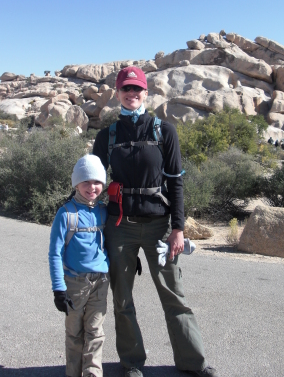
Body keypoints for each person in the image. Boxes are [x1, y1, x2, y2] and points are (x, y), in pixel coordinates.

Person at [93, 66, 218, 377]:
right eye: (126, 89)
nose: (131, 94)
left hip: (159, 226)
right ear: (117, 93)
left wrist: (178, 229)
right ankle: (132, 363)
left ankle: (194, 363)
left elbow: (175, 182)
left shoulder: (165, 130)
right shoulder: (106, 136)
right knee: (122, 298)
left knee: (173, 295)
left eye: (137, 89)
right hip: (119, 226)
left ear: (146, 93)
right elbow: (93, 184)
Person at [48, 154, 110, 377]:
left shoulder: (104, 211)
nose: (91, 187)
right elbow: (55, 253)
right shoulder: (66, 214)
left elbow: (111, 242)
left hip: (100, 282)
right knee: (75, 334)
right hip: (74, 284)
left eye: (96, 182)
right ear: (76, 183)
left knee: (95, 332)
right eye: (85, 182)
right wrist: (58, 289)